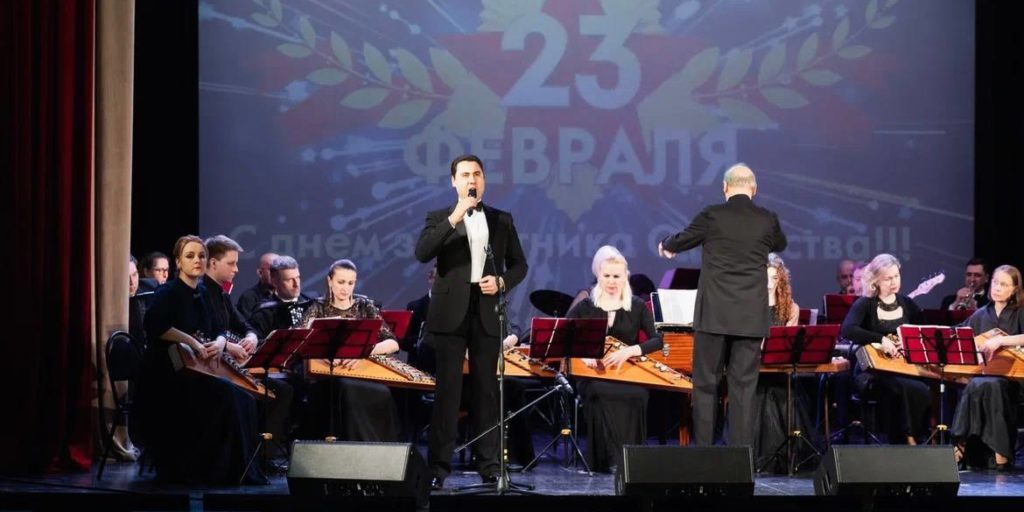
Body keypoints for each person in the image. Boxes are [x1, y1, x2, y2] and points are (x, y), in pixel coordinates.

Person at [414, 154, 528, 490]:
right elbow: (422, 252)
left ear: (484, 179)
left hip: (487, 311)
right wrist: (456, 216)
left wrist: (502, 282)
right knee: (448, 393)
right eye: (464, 175)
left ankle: (489, 466)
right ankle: (438, 468)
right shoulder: (439, 217)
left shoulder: (501, 219)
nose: (471, 179)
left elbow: (520, 265)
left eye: (476, 174)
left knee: (486, 392)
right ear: (454, 181)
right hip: (450, 313)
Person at [657, 163, 787, 447]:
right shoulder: (767, 219)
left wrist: (666, 245)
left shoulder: (712, 215)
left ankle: (704, 453)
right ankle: (741, 457)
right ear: (754, 189)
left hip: (714, 316)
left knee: (705, 385)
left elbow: (681, 240)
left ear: (725, 187)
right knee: (743, 388)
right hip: (750, 319)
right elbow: (780, 244)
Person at [133, 235, 265, 485]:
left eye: (201, 256)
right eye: (190, 256)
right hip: (169, 374)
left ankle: (237, 471)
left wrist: (220, 342)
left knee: (246, 398)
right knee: (228, 394)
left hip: (197, 370)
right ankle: (213, 470)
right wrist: (192, 342)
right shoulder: (168, 291)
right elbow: (155, 325)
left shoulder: (204, 293)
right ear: (178, 262)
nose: (197, 260)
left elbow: (219, 328)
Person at [567, 246, 663, 473]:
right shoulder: (586, 306)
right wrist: (583, 355)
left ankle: (631, 460)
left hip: (627, 372)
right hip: (593, 375)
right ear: (599, 276)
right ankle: (610, 460)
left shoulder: (637, 306)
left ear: (625, 277)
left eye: (617, 276)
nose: (611, 281)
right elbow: (564, 335)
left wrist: (629, 351)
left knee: (639, 394)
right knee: (599, 391)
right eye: (607, 275)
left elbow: (657, 340)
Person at [202, 235, 294, 450]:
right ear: (213, 263)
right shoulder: (201, 293)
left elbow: (245, 326)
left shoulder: (222, 295)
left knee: (283, 389)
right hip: (211, 368)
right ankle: (249, 453)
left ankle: (265, 453)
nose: (236, 269)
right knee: (257, 395)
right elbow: (201, 333)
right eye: (231, 263)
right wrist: (228, 345)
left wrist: (251, 337)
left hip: (229, 364)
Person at [298, 259, 402, 441]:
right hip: (329, 377)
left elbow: (393, 343)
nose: (345, 288)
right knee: (346, 388)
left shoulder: (364, 306)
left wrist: (363, 352)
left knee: (383, 392)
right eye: (341, 282)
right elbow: (298, 339)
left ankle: (379, 446)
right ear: (330, 281)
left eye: (350, 283)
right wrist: (321, 353)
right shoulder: (318, 307)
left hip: (360, 372)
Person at [840, 253, 930, 444]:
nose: (894, 282)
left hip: (904, 367)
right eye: (888, 278)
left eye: (896, 276)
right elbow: (848, 329)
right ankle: (906, 438)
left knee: (922, 387)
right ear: (876, 281)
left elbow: (924, 334)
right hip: (873, 370)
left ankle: (919, 435)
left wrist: (907, 342)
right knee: (902, 387)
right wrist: (881, 339)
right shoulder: (865, 303)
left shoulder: (908, 304)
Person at [951, 265, 1024, 471]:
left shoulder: (1020, 312)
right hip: (984, 378)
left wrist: (1001, 340)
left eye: (1004, 284)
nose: (998, 288)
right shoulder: (981, 314)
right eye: (995, 282)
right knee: (977, 383)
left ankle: (999, 452)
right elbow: (958, 334)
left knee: (988, 384)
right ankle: (962, 443)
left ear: (1014, 289)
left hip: (1014, 379)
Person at [753, 253, 819, 472]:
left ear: (780, 280)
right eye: (765, 279)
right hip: (754, 369)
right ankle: (763, 456)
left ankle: (787, 457)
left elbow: (788, 343)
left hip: (778, 368)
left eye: (774, 279)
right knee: (763, 393)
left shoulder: (791, 307)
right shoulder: (748, 304)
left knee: (786, 392)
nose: (769, 284)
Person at [247, 255, 316, 338]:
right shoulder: (264, 313)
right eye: (289, 280)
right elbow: (257, 342)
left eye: (297, 277)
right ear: (274, 282)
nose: (296, 284)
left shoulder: (311, 302)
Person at [236, 252, 280, 319]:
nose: (277, 274)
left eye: (280, 270)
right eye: (272, 270)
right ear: (260, 273)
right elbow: (247, 324)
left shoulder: (289, 296)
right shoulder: (248, 298)